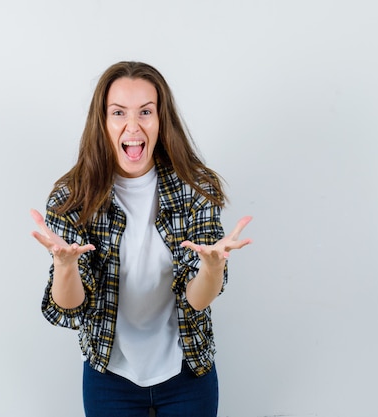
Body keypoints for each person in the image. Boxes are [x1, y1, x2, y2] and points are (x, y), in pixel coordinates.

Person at [30, 61, 252, 417]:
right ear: (101, 122)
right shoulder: (72, 197)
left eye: (146, 112)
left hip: (188, 370)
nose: (133, 126)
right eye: (118, 112)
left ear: (162, 119)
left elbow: (197, 300)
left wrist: (212, 267)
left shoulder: (196, 188)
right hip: (110, 375)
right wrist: (65, 266)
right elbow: (70, 307)